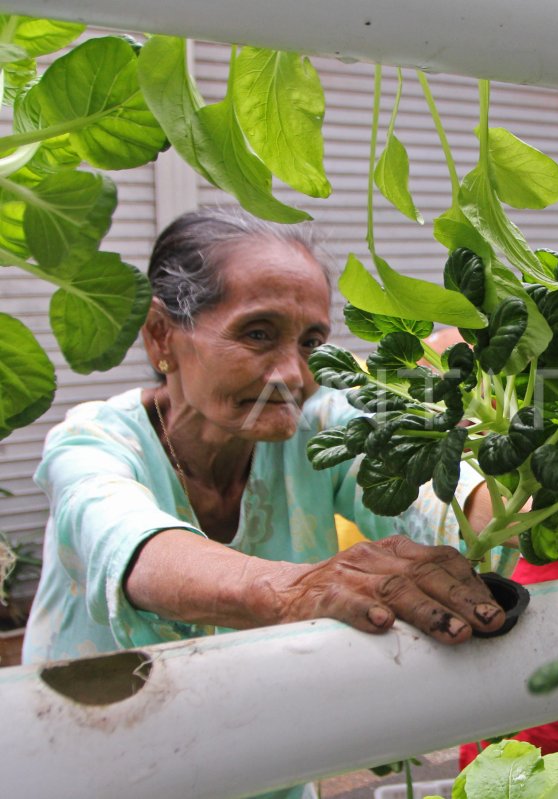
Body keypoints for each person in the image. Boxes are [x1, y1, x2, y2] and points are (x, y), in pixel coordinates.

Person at [22, 207, 512, 675]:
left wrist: (543, 520)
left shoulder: (318, 425)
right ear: (160, 335)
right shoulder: (93, 442)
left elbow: (431, 487)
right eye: (257, 334)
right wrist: (296, 589)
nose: (293, 375)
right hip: (94, 735)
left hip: (258, 725)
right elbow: (133, 550)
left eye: (311, 344)